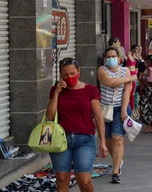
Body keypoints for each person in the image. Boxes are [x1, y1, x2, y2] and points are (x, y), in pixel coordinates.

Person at [46, 57, 108, 192]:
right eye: (66, 75)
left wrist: (102, 141)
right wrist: (57, 92)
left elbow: (98, 117)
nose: (70, 77)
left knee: (84, 181)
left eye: (72, 73)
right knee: (62, 179)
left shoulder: (90, 90)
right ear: (61, 75)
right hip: (60, 140)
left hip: (85, 140)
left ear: (79, 71)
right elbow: (50, 115)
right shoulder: (55, 90)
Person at [97, 47, 135, 184]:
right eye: (109, 56)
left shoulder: (125, 71)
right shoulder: (101, 70)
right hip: (105, 110)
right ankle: (118, 160)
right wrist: (131, 77)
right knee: (107, 141)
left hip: (120, 109)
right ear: (105, 59)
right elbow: (110, 83)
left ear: (119, 58)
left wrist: (124, 110)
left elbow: (127, 91)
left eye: (114, 56)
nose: (111, 58)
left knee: (117, 139)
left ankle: (116, 171)